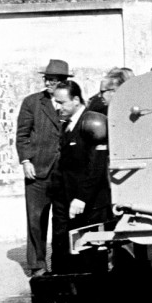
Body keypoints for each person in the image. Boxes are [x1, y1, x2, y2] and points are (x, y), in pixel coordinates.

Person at [15, 59, 73, 277]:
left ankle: (61, 262)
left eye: (53, 80)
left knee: (63, 220)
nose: (48, 83)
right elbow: (22, 135)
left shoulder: (71, 102)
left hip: (64, 172)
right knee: (36, 220)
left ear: (64, 82)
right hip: (37, 171)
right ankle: (37, 264)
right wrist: (26, 161)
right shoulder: (32, 102)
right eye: (47, 79)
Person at [48, 81, 111, 274]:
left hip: (87, 202)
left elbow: (96, 166)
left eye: (62, 102)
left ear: (76, 100)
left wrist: (82, 197)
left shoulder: (92, 123)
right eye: (56, 102)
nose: (58, 107)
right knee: (63, 249)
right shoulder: (67, 123)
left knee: (89, 254)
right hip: (65, 198)